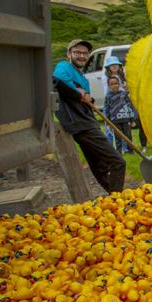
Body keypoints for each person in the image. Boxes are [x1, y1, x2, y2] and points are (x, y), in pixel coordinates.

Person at [52, 39, 126, 194]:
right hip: (81, 125)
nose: (81, 56)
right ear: (69, 54)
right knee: (118, 162)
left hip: (87, 122)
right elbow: (58, 78)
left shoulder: (83, 77)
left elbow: (86, 99)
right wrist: (78, 93)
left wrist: (88, 97)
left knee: (100, 167)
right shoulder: (64, 66)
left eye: (84, 53)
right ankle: (118, 200)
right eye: (77, 52)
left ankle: (113, 199)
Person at [103, 76, 138, 153]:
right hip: (114, 120)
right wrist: (108, 121)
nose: (114, 85)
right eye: (111, 84)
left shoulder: (124, 94)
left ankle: (131, 151)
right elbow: (107, 109)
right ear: (108, 86)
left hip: (126, 119)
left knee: (128, 136)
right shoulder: (108, 96)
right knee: (117, 137)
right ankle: (118, 152)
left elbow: (129, 106)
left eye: (116, 83)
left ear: (119, 84)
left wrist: (132, 119)